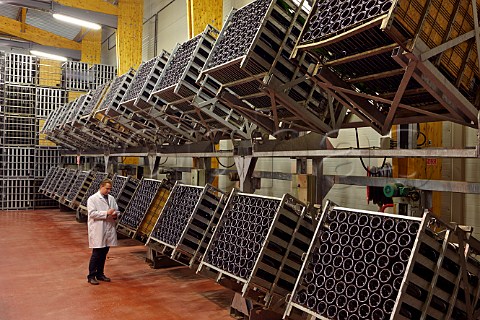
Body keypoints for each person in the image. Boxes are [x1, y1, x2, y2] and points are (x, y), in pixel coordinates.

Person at [86, 178, 119, 285]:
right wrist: (106, 213)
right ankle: (91, 276)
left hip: (108, 228)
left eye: (110, 189)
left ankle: (100, 274)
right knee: (96, 254)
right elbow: (92, 213)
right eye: (107, 189)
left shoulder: (111, 198)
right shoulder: (92, 199)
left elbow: (116, 210)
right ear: (101, 187)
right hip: (98, 229)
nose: (108, 191)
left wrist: (115, 214)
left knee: (104, 253)